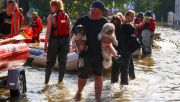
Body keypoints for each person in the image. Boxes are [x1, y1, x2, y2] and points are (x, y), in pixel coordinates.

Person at [71, 1, 108, 101]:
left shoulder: (104, 22)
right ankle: (79, 93)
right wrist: (76, 44)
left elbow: (110, 36)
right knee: (82, 77)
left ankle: (98, 99)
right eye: (102, 11)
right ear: (95, 10)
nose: (103, 13)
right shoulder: (82, 20)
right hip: (84, 54)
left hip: (98, 54)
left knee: (99, 77)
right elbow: (73, 33)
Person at [44, 0, 71, 84]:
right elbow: (69, 29)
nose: (51, 8)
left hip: (54, 41)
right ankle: (60, 82)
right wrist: (69, 43)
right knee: (62, 63)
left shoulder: (51, 16)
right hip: (65, 41)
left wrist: (45, 43)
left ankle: (46, 83)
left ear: (55, 6)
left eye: (52, 6)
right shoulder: (66, 15)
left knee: (49, 63)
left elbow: (48, 31)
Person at [118, 10, 141, 86]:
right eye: (131, 16)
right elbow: (133, 37)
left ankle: (132, 79)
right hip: (125, 50)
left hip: (127, 49)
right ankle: (124, 86)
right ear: (126, 16)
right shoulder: (126, 26)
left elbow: (133, 36)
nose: (133, 18)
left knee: (130, 67)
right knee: (125, 69)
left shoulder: (125, 25)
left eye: (133, 16)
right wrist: (138, 46)